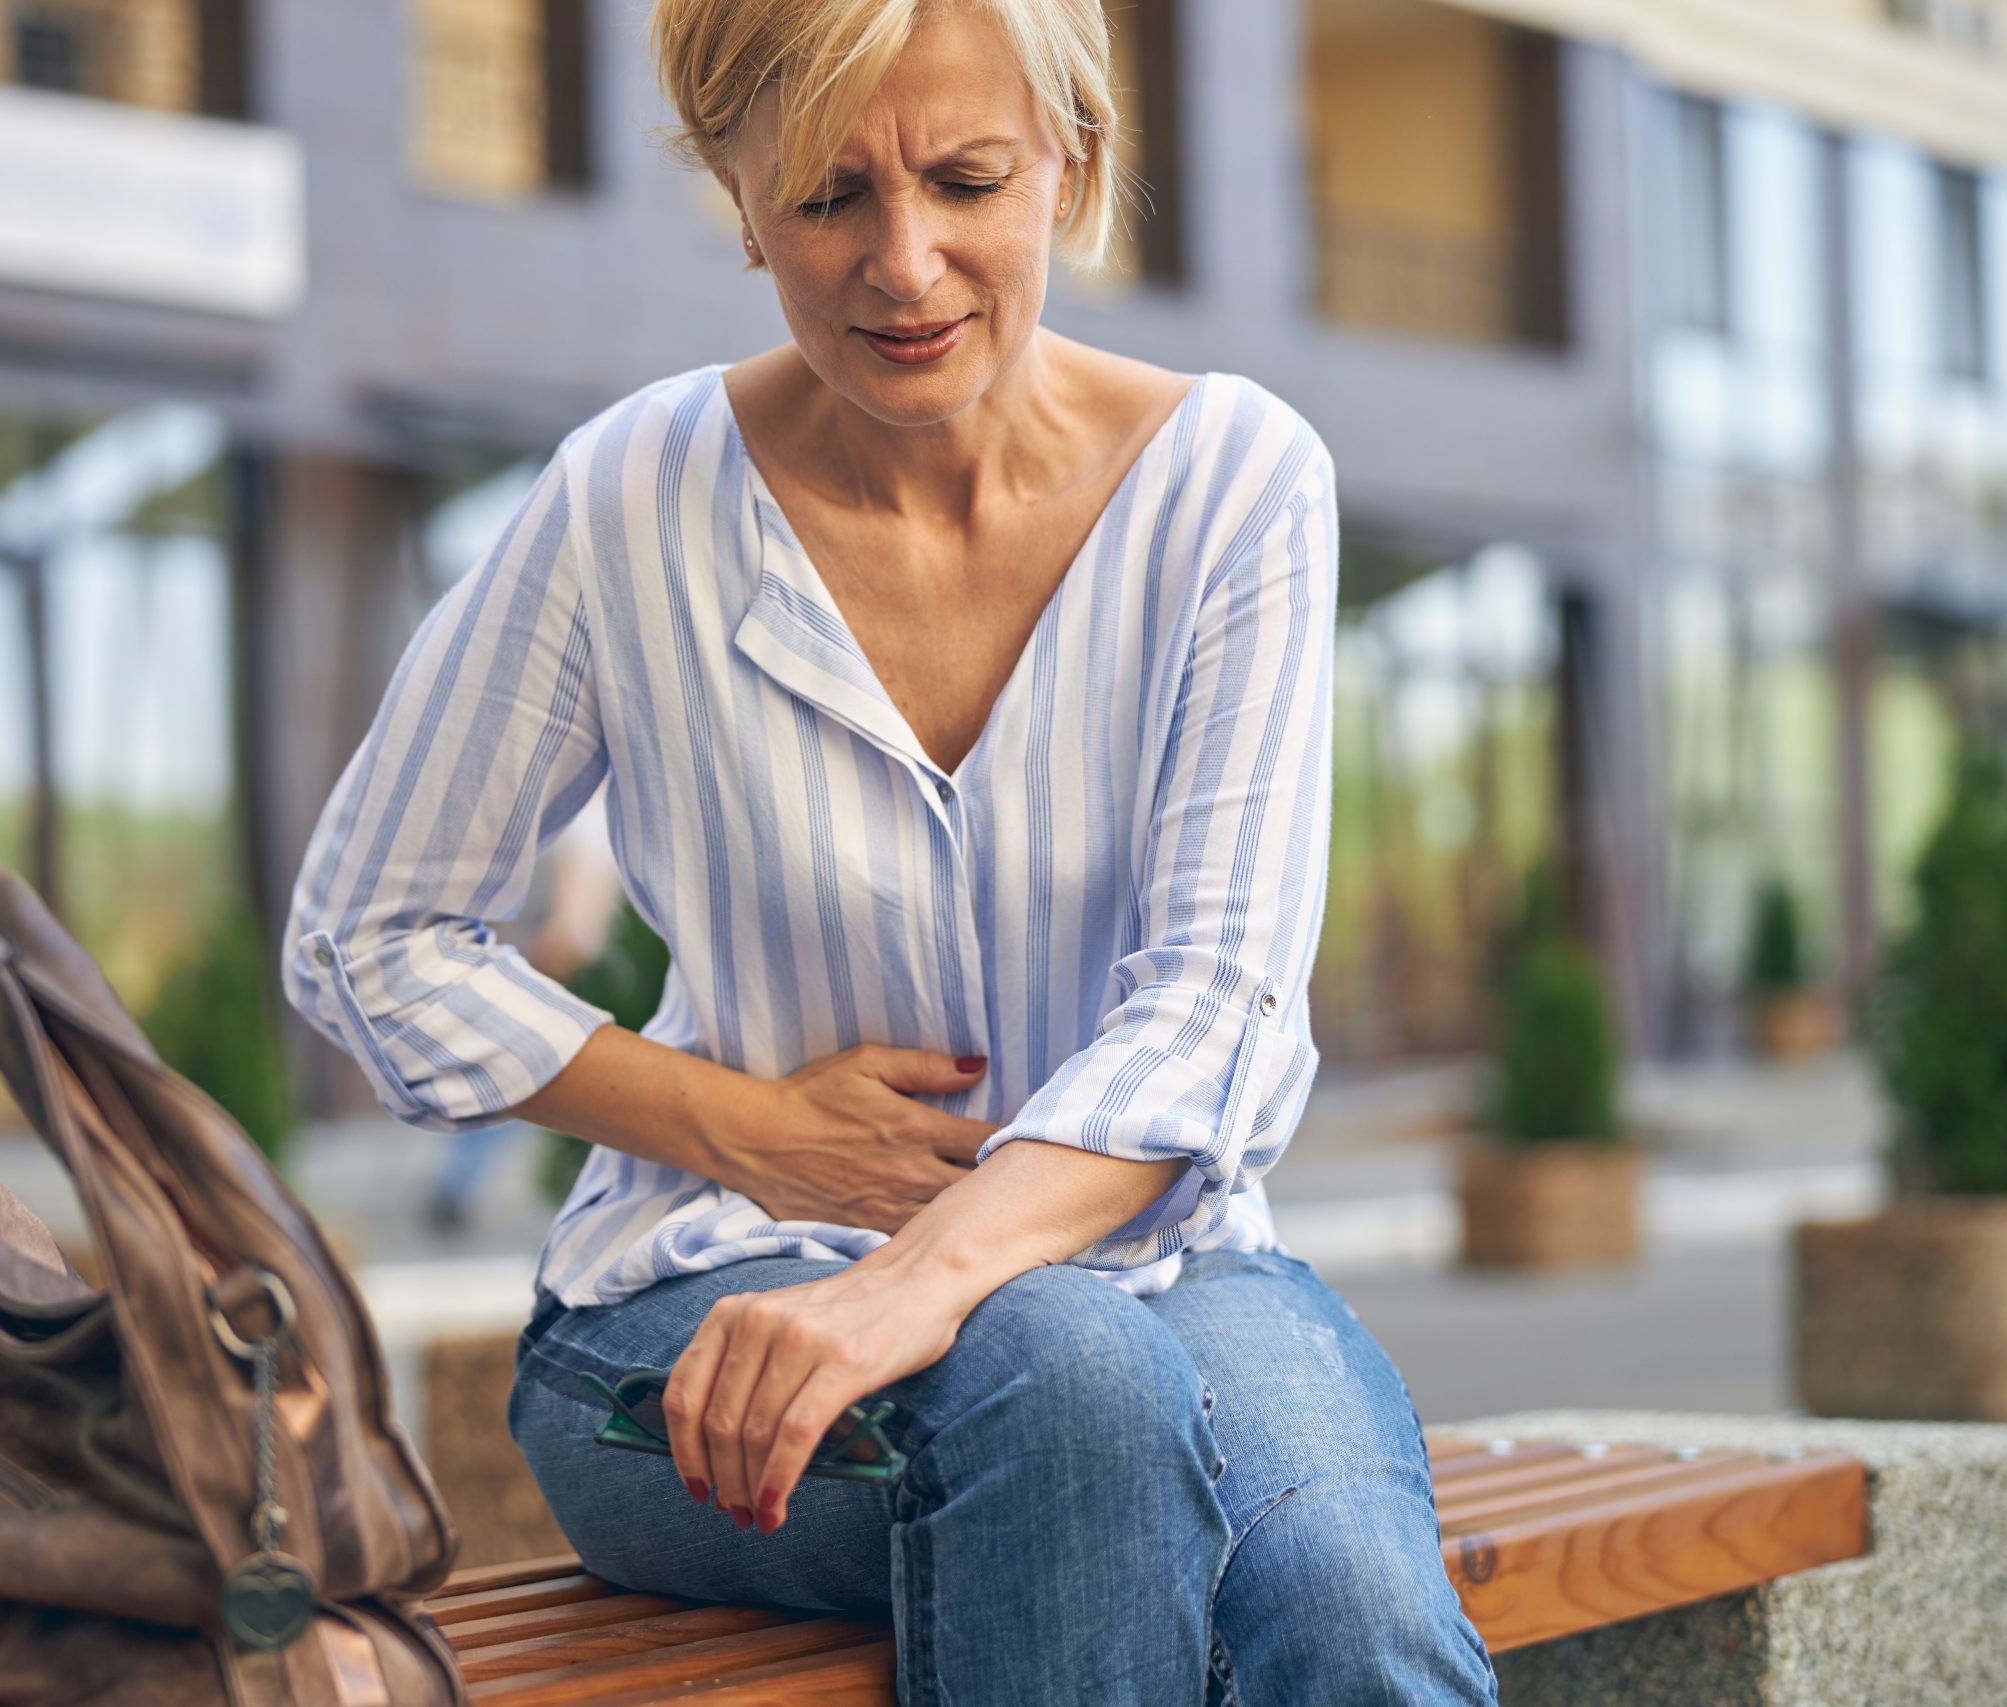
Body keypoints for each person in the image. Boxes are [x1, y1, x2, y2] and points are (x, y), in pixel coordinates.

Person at [281, 1, 1497, 1700]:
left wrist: (915, 1279)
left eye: (965, 179)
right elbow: (367, 929)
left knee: (1349, 1613)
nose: (904, 264)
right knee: (1072, 1401)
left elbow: (1219, 1008)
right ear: (736, 190)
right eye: (830, 198)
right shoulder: (626, 502)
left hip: (1171, 1268)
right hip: (692, 1306)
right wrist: (747, 1128)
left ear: (1069, 162)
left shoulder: (1235, 486)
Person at [423, 787, 624, 1232]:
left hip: (551, 978)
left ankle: (458, 1188)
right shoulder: (592, 823)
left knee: (513, 1091)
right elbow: (574, 930)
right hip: (569, 983)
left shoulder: (568, 820)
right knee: (533, 1092)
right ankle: (459, 1189)